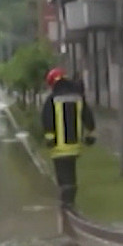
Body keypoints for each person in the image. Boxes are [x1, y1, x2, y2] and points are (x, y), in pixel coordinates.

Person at [41, 68, 96, 209]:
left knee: (62, 175)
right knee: (71, 173)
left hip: (58, 146)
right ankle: (71, 202)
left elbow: (47, 119)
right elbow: (88, 117)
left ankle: (66, 205)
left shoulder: (52, 99)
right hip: (74, 145)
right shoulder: (78, 97)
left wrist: (49, 138)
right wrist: (90, 134)